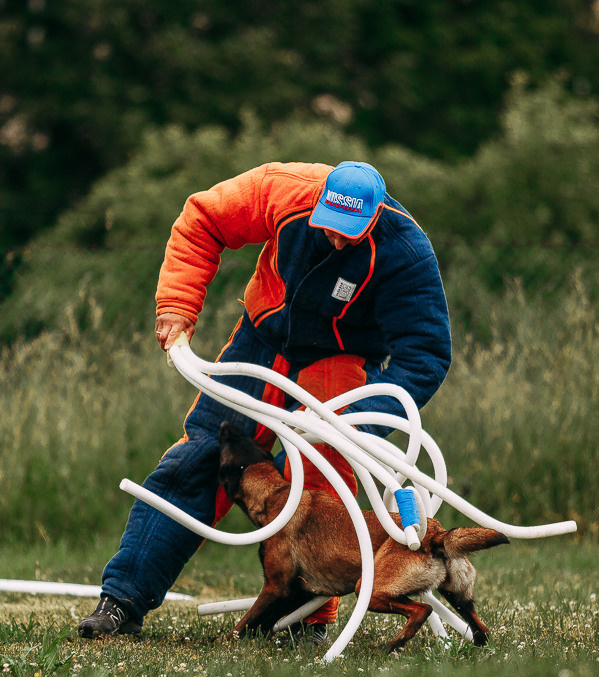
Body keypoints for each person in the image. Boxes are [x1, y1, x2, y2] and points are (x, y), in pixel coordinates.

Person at [78, 161, 452, 644]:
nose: (337, 241)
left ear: (375, 217)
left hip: (340, 362)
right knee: (199, 460)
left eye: (350, 235)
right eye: (329, 228)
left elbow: (425, 355)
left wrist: (353, 424)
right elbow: (203, 219)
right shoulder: (284, 192)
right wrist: (176, 305)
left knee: (317, 476)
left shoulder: (407, 253)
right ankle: (121, 602)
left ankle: (306, 621)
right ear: (318, 203)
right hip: (261, 340)